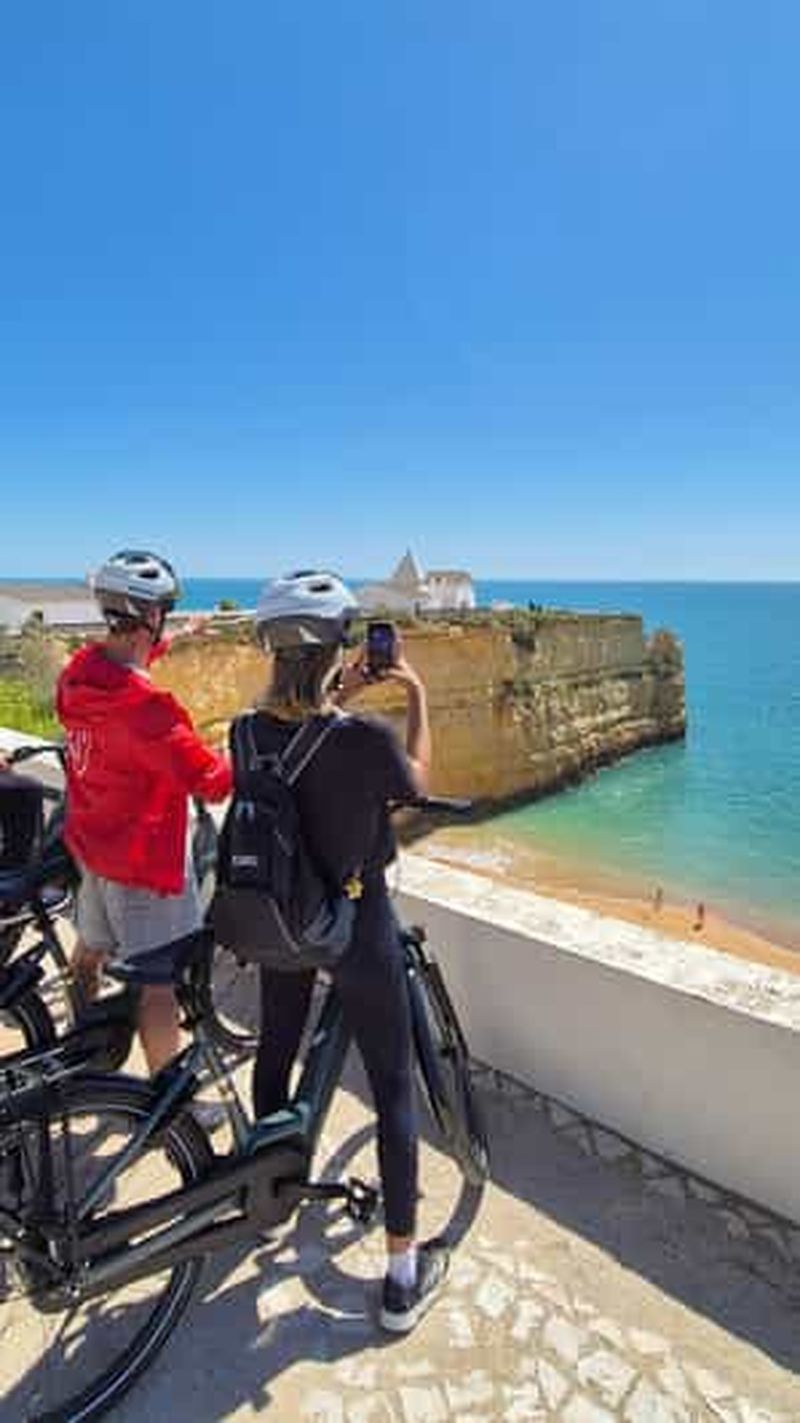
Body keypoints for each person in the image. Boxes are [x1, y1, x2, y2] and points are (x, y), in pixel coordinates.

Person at [245, 569, 449, 1334]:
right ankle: (401, 1276)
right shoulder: (360, 738)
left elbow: (296, 763)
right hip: (357, 922)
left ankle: (268, 1190)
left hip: (282, 919)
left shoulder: (245, 730)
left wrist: (339, 692)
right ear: (339, 644)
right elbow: (417, 783)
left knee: (277, 1050)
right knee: (393, 1086)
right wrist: (416, 696)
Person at [56, 549, 232, 1075]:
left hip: (92, 847)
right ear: (150, 616)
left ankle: (84, 1050)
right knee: (157, 984)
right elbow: (213, 782)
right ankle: (164, 1103)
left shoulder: (79, 675)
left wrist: (182, 636)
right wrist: (240, 751)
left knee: (89, 951)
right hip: (142, 862)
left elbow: (124, 670)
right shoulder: (148, 711)